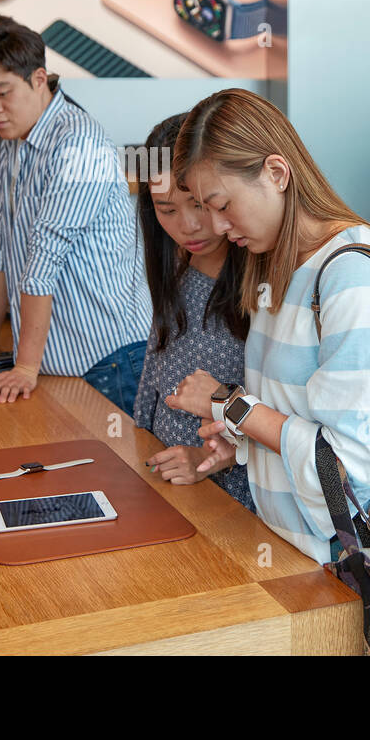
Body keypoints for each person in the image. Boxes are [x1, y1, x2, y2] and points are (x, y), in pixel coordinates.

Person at [161, 89, 370, 566]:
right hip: (291, 543)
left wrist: (230, 406)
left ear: (276, 173)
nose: (216, 226)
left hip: (345, 557)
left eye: (222, 204)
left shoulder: (352, 273)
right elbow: (293, 410)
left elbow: (356, 462)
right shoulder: (278, 262)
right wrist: (239, 440)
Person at [0, 15, 152, 411]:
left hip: (108, 357)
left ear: (38, 79)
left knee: (111, 471)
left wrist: (26, 366)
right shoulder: (16, 139)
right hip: (49, 357)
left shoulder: (78, 144)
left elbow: (43, 257)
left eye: (2, 92)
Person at [132, 114, 253, 508]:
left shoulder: (260, 285)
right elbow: (155, 376)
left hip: (231, 503)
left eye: (199, 205)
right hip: (167, 482)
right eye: (165, 210)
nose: (187, 226)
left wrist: (207, 457)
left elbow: (288, 423)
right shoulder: (178, 269)